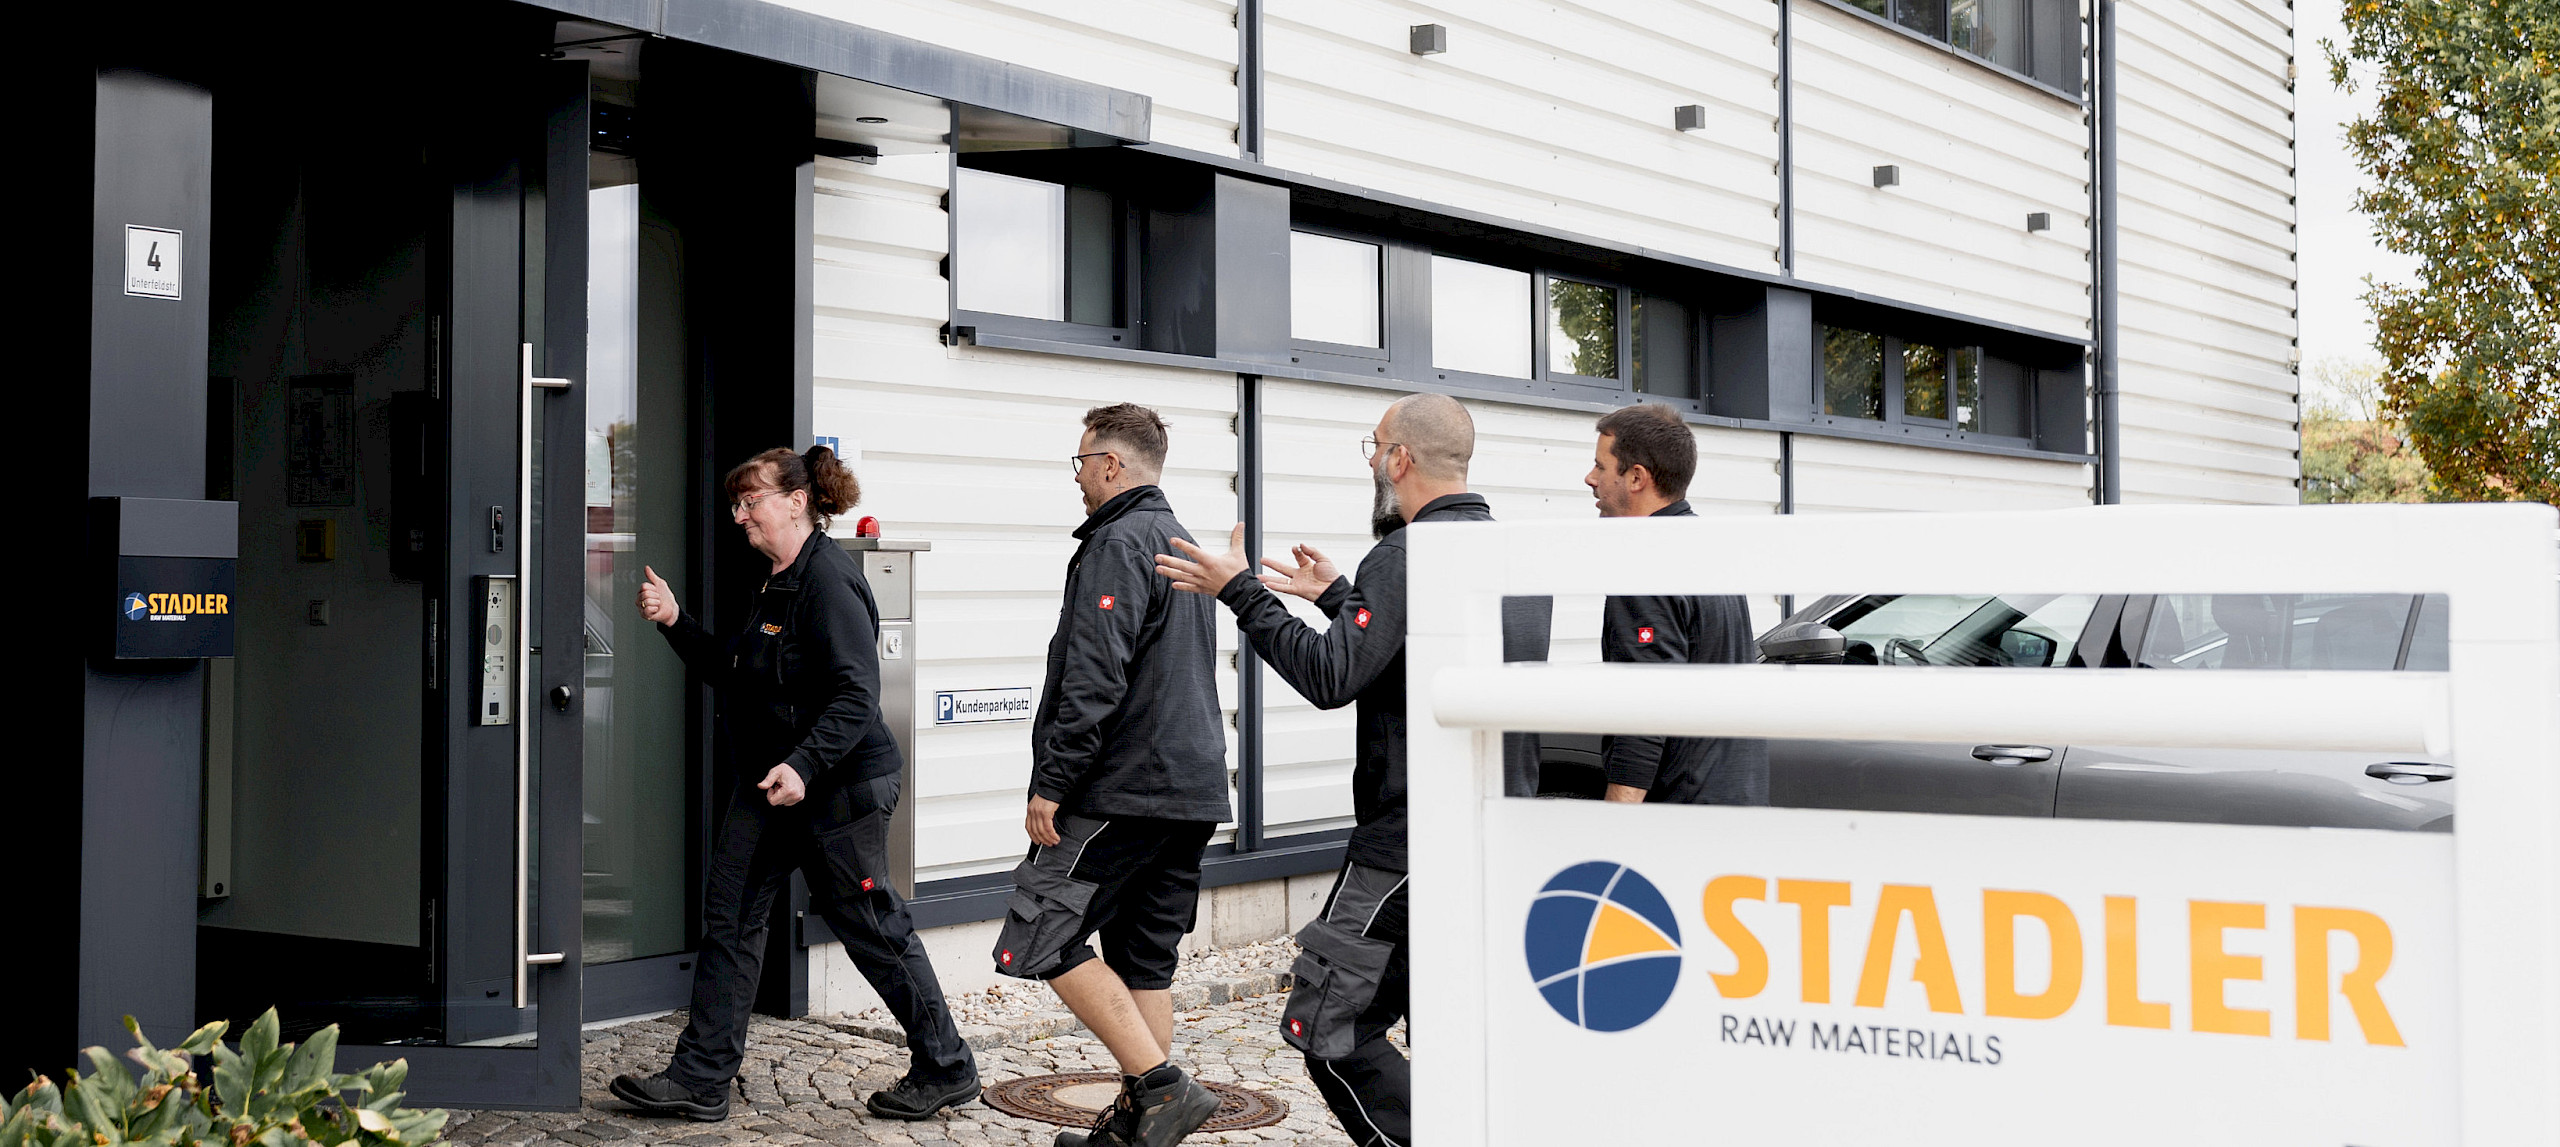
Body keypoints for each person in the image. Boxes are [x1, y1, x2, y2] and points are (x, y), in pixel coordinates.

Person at [1154, 392, 1500, 1147]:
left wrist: (1238, 590)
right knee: (1452, 1032)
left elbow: (1329, 677)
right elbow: (1420, 663)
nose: (1372, 458)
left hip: (1399, 845)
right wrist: (1346, 598)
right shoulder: (1495, 552)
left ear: (1399, 459)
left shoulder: (1406, 555)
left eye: (1375, 444)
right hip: (1476, 836)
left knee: (1325, 1025)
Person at [611, 446, 978, 1123]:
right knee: (732, 912)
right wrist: (675, 621)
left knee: (870, 924)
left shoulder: (828, 582)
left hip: (839, 787)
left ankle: (947, 1063)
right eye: (736, 504)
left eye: (751, 501)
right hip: (775, 783)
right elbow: (736, 667)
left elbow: (857, 694)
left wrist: (804, 764)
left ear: (798, 501)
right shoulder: (779, 580)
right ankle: (701, 1077)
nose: (740, 514)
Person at [995, 405, 1230, 1147]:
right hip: (1190, 791)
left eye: (1080, 464)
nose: (1078, 480)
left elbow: (1096, 677)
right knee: (1143, 959)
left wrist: (1053, 782)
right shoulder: (1177, 538)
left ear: (1110, 464)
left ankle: (1162, 1089)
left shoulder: (1119, 540)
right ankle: (1140, 1137)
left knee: (1035, 936)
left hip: (1123, 790)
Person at [1584, 404, 1770, 805]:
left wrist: (1616, 823)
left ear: (1636, 477)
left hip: (1679, 821)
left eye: (1601, 466)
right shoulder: (1707, 547)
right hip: (1733, 804)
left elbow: (1648, 704)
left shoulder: (1647, 560)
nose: (1590, 479)